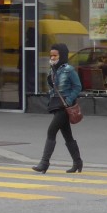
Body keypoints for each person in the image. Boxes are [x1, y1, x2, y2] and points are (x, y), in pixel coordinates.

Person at [32, 44, 83, 173]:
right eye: (51, 55)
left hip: (64, 107)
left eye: (55, 55)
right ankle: (78, 162)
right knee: (67, 135)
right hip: (56, 105)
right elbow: (52, 88)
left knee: (51, 131)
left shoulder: (69, 70)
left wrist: (68, 100)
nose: (52, 57)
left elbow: (77, 87)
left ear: (62, 55)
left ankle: (44, 163)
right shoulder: (52, 70)